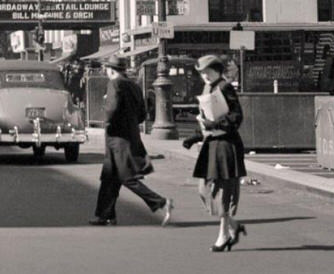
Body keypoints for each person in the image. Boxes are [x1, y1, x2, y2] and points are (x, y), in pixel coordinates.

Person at [91, 55, 173, 227]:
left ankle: (161, 202)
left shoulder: (114, 84)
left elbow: (112, 109)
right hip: (130, 137)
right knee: (109, 179)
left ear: (110, 70)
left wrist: (108, 122)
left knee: (127, 178)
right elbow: (143, 114)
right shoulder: (134, 86)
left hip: (117, 139)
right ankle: (105, 215)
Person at [185, 54, 247, 251]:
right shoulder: (208, 88)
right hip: (212, 143)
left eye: (207, 71)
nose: (204, 75)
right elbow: (206, 117)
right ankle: (234, 227)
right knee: (204, 189)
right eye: (202, 73)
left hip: (225, 145)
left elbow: (236, 116)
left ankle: (223, 236)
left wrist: (215, 124)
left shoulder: (224, 87)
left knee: (221, 192)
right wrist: (196, 135)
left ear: (217, 70)